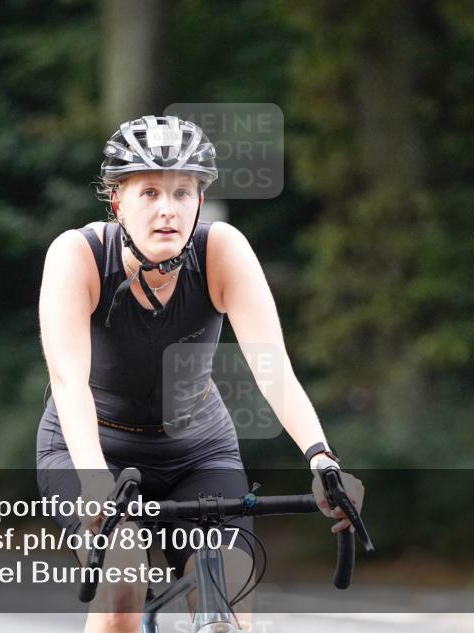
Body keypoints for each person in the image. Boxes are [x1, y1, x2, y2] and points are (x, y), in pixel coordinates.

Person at [36, 115, 364, 633]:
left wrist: (322, 458)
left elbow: (273, 369)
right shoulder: (78, 256)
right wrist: (96, 481)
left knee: (226, 601)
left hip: (198, 452)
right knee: (122, 591)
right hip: (94, 446)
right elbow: (68, 380)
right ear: (117, 201)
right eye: (149, 192)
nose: (168, 209)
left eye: (182, 192)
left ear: (199, 200)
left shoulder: (222, 251)